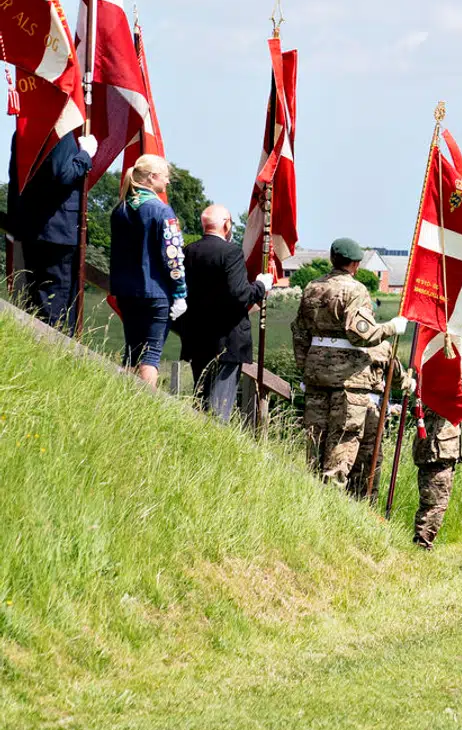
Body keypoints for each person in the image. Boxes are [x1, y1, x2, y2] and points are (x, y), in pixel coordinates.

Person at [291, 237, 407, 486]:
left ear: (333, 259)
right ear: (355, 264)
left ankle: (310, 496)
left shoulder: (311, 287)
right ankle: (331, 504)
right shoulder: (355, 290)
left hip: (316, 377)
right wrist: (390, 328)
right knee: (342, 443)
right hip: (349, 380)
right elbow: (361, 333)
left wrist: (305, 369)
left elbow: (299, 333)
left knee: (315, 444)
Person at [176, 205, 271, 421]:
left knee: (201, 401)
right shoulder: (231, 252)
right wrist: (261, 286)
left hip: (197, 337)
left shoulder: (188, 251)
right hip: (227, 339)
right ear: (227, 224)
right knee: (220, 407)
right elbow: (240, 295)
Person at [108, 155, 187, 387]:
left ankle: (124, 401)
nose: (168, 181)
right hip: (155, 293)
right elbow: (172, 257)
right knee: (150, 357)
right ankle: (145, 406)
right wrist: (180, 292)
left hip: (125, 292)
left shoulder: (119, 210)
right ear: (152, 178)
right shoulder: (161, 211)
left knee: (131, 352)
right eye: (165, 175)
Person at [5, 131, 94, 333]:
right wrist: (86, 155)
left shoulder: (24, 131)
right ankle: (54, 356)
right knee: (56, 308)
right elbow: (65, 174)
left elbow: (15, 179)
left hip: (31, 227)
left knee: (35, 300)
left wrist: (14, 221)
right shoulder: (59, 131)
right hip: (58, 232)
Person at [347, 339, 414, 501]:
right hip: (368, 410)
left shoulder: (342, 338)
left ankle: (343, 495)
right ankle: (364, 501)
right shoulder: (382, 346)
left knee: (342, 451)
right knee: (369, 457)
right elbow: (397, 377)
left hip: (341, 403)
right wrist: (409, 383)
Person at [413, 396, 462, 550]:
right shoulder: (444, 379)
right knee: (435, 502)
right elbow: (457, 387)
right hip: (439, 447)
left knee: (434, 500)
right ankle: (422, 545)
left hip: (436, 444)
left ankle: (422, 542)